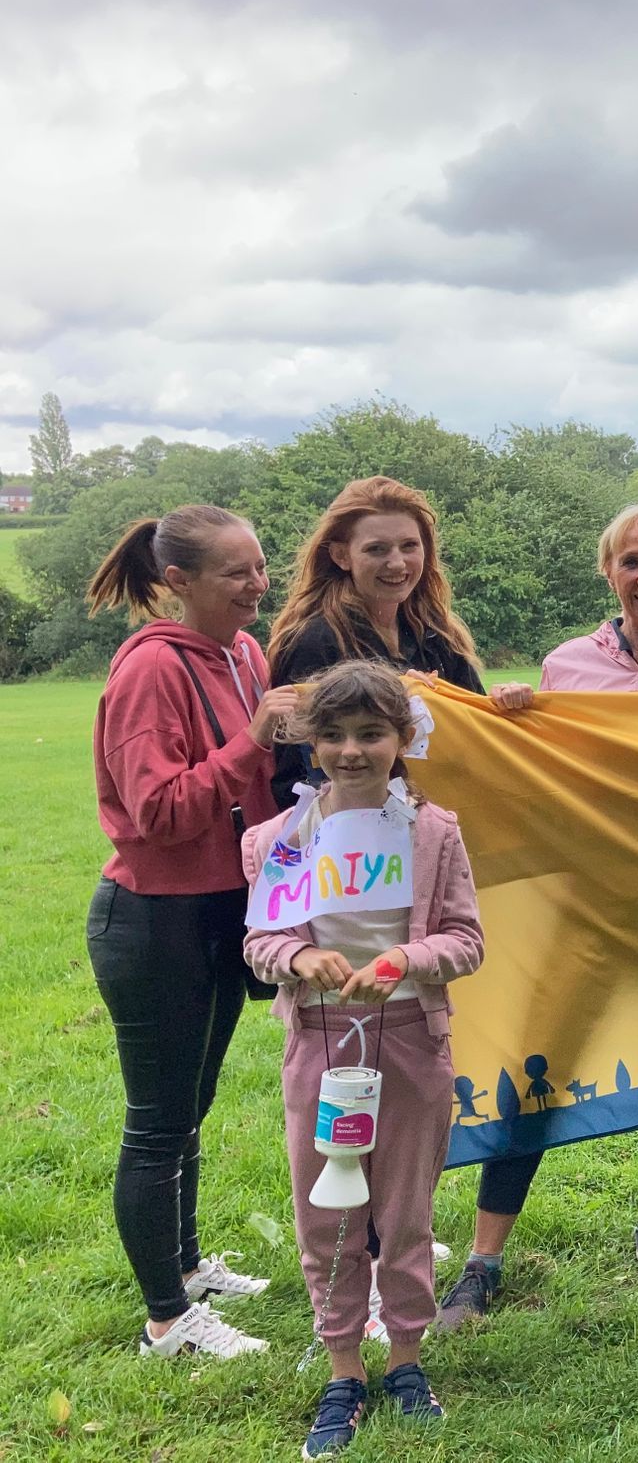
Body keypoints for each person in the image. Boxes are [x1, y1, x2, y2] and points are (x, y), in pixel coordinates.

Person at [436, 504, 638, 1326]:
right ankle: (484, 1259)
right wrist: (507, 718)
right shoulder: (566, 667)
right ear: (609, 572)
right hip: (588, 902)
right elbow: (533, 775)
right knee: (538, 1063)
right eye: (631, 562)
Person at [244, 661, 485, 1456]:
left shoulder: (432, 830)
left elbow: (465, 939)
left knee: (405, 1212)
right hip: (320, 1042)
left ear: (403, 738)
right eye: (334, 735)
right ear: (310, 741)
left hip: (414, 1040)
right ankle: (344, 1368)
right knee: (329, 1214)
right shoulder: (282, 838)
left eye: (371, 734)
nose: (351, 751)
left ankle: (407, 1359)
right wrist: (295, 957)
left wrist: (404, 961)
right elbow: (260, 939)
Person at [84, 504, 299, 1359]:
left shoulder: (244, 653)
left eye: (260, 565)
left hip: (221, 910)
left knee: (193, 1108)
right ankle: (167, 1319)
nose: (259, 584)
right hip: (153, 919)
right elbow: (159, 812)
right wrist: (251, 741)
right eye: (238, 573)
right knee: (158, 1122)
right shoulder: (151, 672)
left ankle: (187, 1267)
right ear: (179, 582)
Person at [266, 476, 485, 805]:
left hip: (437, 823)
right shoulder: (316, 642)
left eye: (409, 546)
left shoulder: (439, 636)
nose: (397, 563)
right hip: (358, 840)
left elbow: (481, 730)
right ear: (341, 556)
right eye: (376, 549)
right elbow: (303, 766)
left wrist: (510, 705)